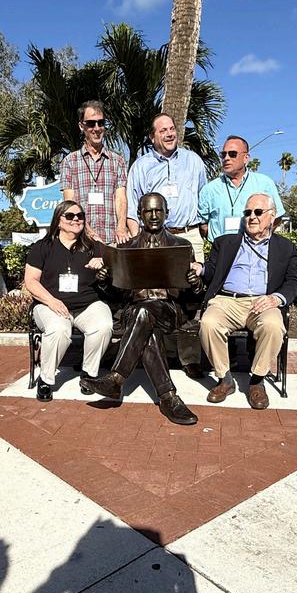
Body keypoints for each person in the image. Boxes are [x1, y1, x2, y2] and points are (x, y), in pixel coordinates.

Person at [81, 192, 201, 425]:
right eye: (148, 211)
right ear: (139, 214)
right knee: (145, 321)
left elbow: (191, 295)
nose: (154, 215)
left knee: (145, 314)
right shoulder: (127, 248)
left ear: (166, 213)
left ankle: (116, 379)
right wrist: (105, 280)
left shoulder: (181, 245)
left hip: (168, 311)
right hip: (134, 312)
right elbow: (116, 296)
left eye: (158, 210)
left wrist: (195, 284)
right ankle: (168, 398)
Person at [196, 193, 297, 410]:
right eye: (248, 212)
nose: (252, 217)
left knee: (273, 326)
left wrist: (276, 298)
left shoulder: (285, 247)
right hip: (228, 300)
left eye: (258, 212)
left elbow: (293, 282)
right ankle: (225, 379)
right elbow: (211, 271)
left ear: (272, 216)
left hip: (264, 301)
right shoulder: (225, 243)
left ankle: (257, 381)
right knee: (208, 323)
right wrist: (200, 268)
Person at [23, 200, 113, 401]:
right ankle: (46, 379)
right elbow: (31, 281)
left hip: (87, 304)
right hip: (49, 305)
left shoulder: (93, 246)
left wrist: (104, 261)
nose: (76, 219)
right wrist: (51, 301)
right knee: (59, 329)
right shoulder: (42, 247)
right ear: (58, 220)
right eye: (70, 216)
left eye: (80, 216)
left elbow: (114, 262)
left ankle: (89, 374)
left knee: (103, 325)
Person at [126, 113, 208, 261]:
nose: (169, 134)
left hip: (190, 236)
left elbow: (204, 199)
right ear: (152, 137)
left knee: (194, 275)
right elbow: (132, 209)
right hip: (154, 240)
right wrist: (138, 243)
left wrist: (203, 228)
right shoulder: (140, 166)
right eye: (163, 131)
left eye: (172, 129)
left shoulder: (193, 160)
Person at [59, 100, 131, 244]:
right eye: (91, 123)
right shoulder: (69, 162)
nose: (97, 128)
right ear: (82, 126)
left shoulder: (118, 161)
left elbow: (121, 198)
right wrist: (88, 232)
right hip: (81, 241)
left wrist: (121, 227)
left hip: (112, 240)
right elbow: (70, 203)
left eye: (101, 123)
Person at [198, 135, 285, 243]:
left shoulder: (264, 184)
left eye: (232, 154)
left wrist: (261, 239)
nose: (226, 158)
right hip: (219, 250)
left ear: (246, 158)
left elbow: (277, 216)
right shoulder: (209, 189)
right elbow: (203, 225)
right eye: (223, 155)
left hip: (253, 249)